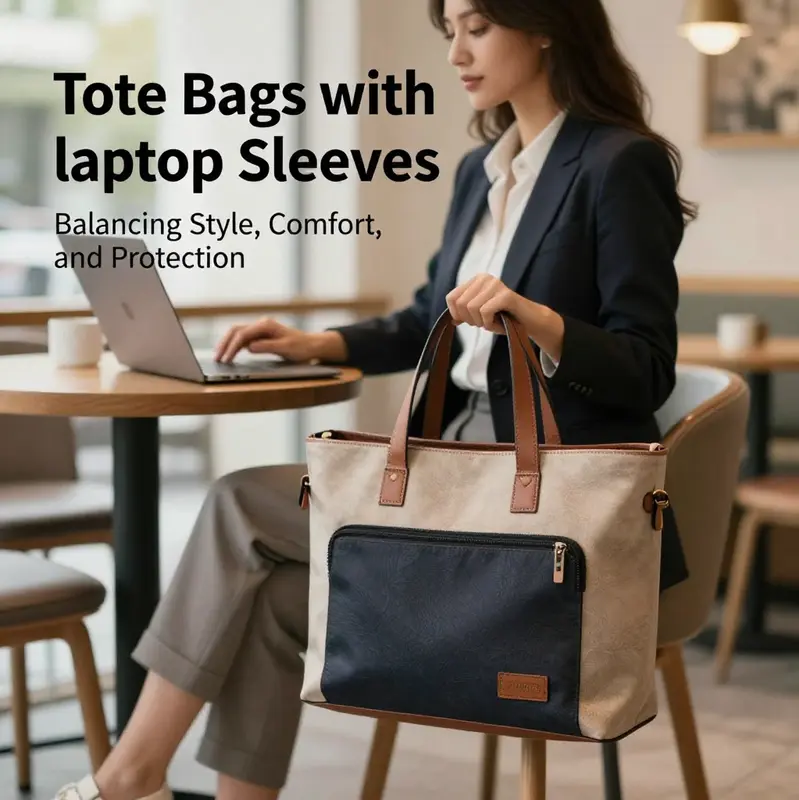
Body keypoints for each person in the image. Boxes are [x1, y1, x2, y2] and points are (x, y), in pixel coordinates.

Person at [55, 0, 697, 798]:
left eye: (477, 26)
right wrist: (314, 341)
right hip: (458, 469)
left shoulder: (616, 162)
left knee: (237, 503)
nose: (457, 51)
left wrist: (533, 318)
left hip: (551, 505)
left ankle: (128, 776)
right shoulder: (484, 170)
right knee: (272, 598)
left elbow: (646, 367)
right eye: (448, 31)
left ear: (545, 26)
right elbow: (429, 314)